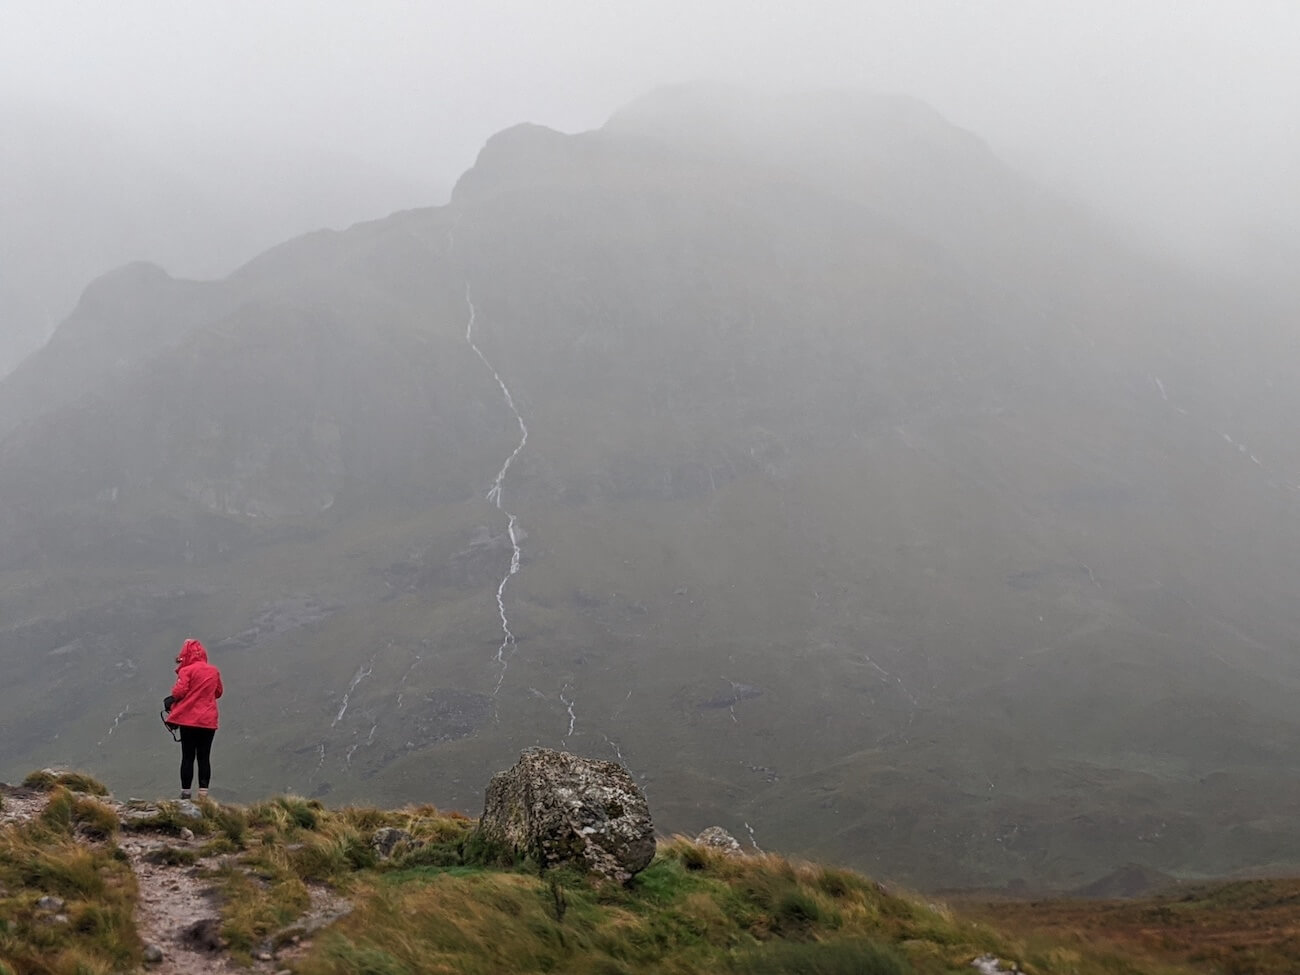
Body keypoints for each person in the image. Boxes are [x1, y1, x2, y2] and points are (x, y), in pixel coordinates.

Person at [162, 638, 223, 800]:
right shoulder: (214, 671)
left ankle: (186, 794)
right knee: (204, 757)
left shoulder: (186, 670)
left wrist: (173, 699)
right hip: (208, 721)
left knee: (188, 756)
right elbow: (218, 692)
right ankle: (203, 795)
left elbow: (179, 692)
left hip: (188, 721)